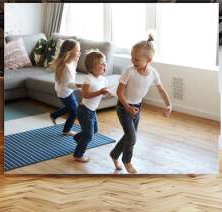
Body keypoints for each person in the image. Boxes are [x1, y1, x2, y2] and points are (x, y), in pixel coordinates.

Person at [110, 34, 172, 174]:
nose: (133, 61)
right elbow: (120, 92)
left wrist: (168, 105)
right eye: (132, 57)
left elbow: (161, 90)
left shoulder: (153, 73)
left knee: (129, 136)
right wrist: (127, 107)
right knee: (132, 137)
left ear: (149, 60)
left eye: (136, 59)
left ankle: (114, 154)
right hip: (123, 106)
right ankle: (127, 161)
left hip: (137, 107)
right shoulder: (129, 71)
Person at [73, 50, 110, 162]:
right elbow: (85, 94)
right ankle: (78, 155)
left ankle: (77, 137)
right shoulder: (88, 78)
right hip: (84, 110)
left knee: (94, 131)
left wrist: (106, 91)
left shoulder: (103, 79)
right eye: (102, 63)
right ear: (93, 67)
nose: (105, 65)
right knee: (89, 135)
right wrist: (100, 92)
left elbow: (102, 92)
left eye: (105, 63)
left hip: (92, 111)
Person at [49, 39, 82, 136]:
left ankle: (53, 115)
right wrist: (81, 86)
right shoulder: (65, 67)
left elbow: (73, 72)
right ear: (69, 52)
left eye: (80, 50)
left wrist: (77, 59)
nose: (79, 53)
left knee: (71, 107)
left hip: (65, 90)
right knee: (74, 112)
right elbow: (70, 84)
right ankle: (66, 130)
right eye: (77, 51)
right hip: (65, 93)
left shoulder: (71, 62)